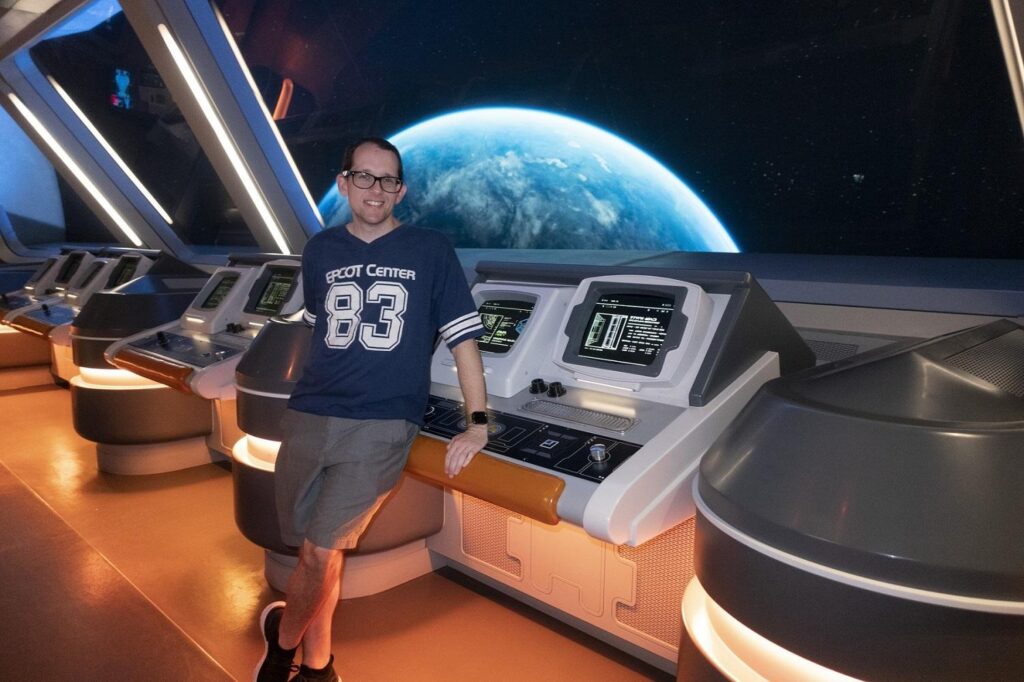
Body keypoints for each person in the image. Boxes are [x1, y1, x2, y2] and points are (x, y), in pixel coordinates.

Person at [255, 137, 489, 682]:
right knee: (319, 552)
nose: (376, 189)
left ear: (401, 190)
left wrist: (478, 423)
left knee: (319, 552)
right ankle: (319, 666)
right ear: (344, 183)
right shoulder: (320, 251)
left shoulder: (430, 250)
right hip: (309, 415)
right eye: (364, 176)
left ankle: (281, 649)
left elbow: (464, 341)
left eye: (388, 180)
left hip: (381, 425)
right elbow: (317, 332)